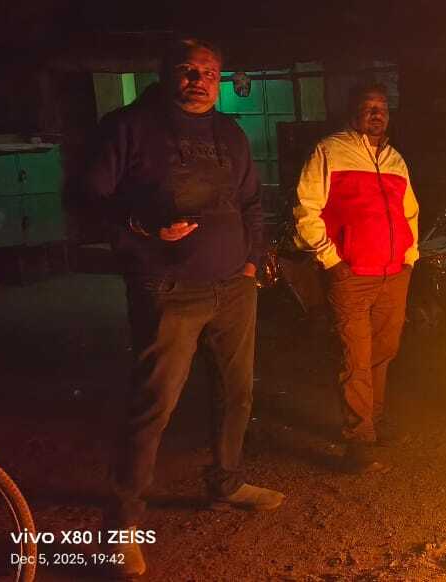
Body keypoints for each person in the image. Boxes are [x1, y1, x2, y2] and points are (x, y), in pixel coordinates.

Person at [84, 38, 284, 577]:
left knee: (236, 392)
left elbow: (251, 201)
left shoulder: (230, 134)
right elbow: (89, 200)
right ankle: (121, 525)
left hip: (233, 287)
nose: (199, 81)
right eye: (188, 70)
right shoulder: (129, 127)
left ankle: (227, 483)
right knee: (154, 404)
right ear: (166, 73)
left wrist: (251, 262)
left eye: (209, 72)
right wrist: (144, 226)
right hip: (167, 288)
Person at [293, 83, 420, 474]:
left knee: (385, 349)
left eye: (382, 108)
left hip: (393, 273)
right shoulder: (329, 151)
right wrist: (332, 260)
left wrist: (409, 257)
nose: (376, 114)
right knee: (356, 358)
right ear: (353, 112)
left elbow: (410, 211)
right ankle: (358, 439)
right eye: (368, 107)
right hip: (350, 274)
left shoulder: (395, 159)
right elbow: (306, 210)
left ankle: (373, 420)